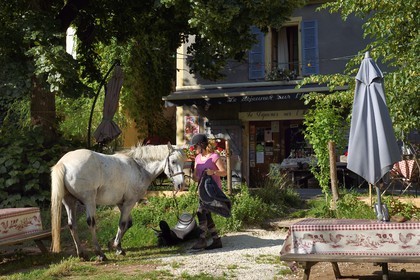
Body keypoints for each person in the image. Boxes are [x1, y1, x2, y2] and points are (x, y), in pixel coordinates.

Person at [191, 133, 227, 250]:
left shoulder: (214, 157)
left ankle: (201, 240)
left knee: (201, 212)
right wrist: (193, 176)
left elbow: (224, 172)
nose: (193, 149)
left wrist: (213, 172)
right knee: (206, 214)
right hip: (202, 191)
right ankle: (216, 240)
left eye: (195, 146)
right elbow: (196, 177)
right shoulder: (197, 159)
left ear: (202, 145)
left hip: (212, 191)